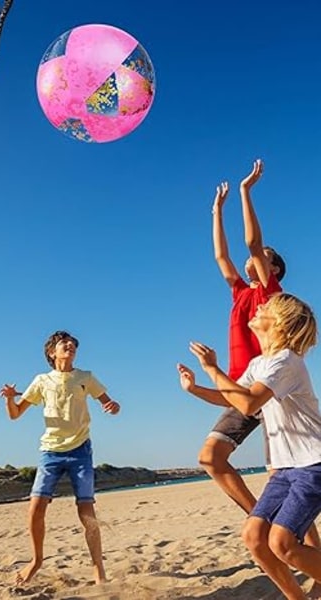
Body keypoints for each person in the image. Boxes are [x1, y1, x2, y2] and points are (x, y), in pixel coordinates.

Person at [178, 293, 321, 600]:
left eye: (266, 308)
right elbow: (234, 397)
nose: (258, 308)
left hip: (312, 464)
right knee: (254, 538)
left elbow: (248, 403)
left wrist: (212, 369)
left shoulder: (286, 362)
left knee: (282, 543)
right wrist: (195, 389)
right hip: (285, 469)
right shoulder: (260, 363)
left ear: (280, 324)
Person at [199, 159, 287, 514]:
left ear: (274, 268)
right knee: (211, 457)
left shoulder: (271, 291)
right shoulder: (240, 293)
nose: (254, 259)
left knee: (280, 474)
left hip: (268, 388)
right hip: (241, 388)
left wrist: (244, 192)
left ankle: (308, 551)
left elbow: (252, 243)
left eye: (265, 258)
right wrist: (216, 211)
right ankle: (259, 517)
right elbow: (221, 255)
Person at [0, 330, 120, 586]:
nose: (70, 345)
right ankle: (36, 561)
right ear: (51, 352)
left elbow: (109, 402)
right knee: (35, 509)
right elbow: (15, 414)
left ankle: (98, 568)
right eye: (63, 343)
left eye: (73, 343)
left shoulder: (85, 377)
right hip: (50, 452)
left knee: (86, 510)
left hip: (80, 452)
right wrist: (10, 399)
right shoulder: (42, 380)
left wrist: (112, 407)